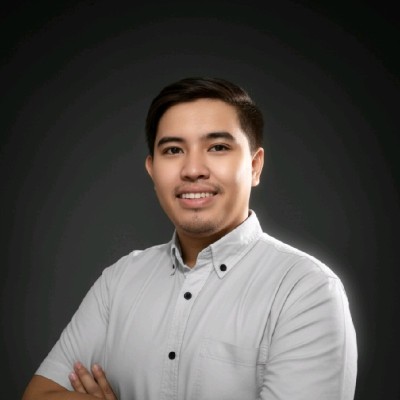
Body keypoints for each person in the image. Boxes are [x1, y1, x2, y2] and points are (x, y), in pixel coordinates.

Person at [22, 77, 357, 400]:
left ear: (255, 166)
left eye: (218, 147)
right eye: (173, 150)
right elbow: (38, 394)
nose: (193, 169)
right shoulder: (119, 281)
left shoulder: (306, 289)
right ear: (152, 170)